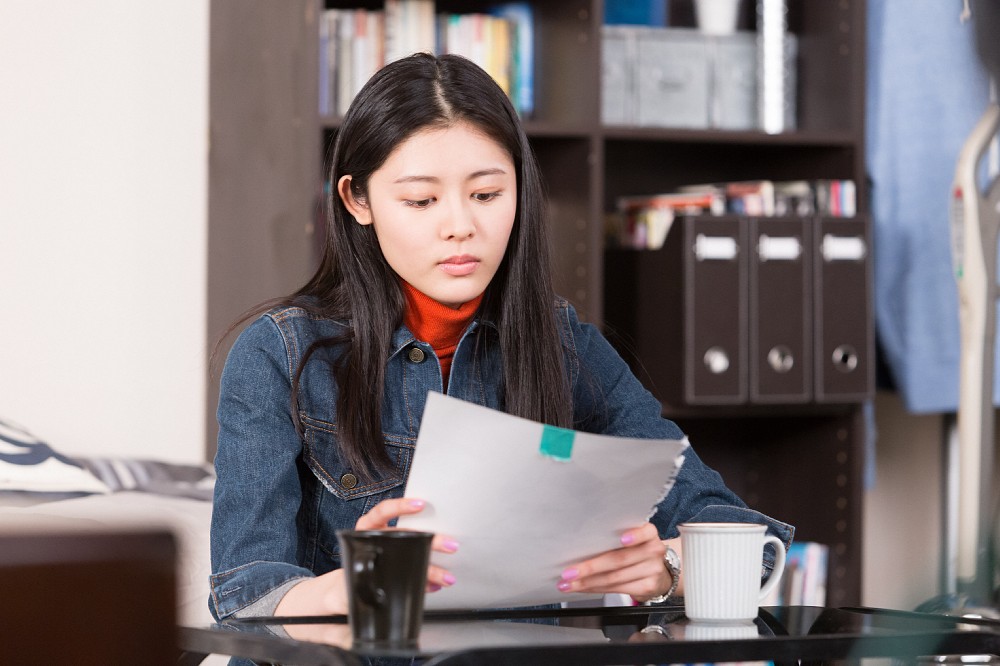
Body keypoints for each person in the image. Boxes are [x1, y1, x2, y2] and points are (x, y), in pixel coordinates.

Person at [209, 52, 793, 640]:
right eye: (421, 201)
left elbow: (743, 535)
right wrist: (348, 586)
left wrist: (669, 568)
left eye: (487, 195)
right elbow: (243, 593)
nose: (460, 226)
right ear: (357, 201)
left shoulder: (566, 350)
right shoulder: (279, 355)